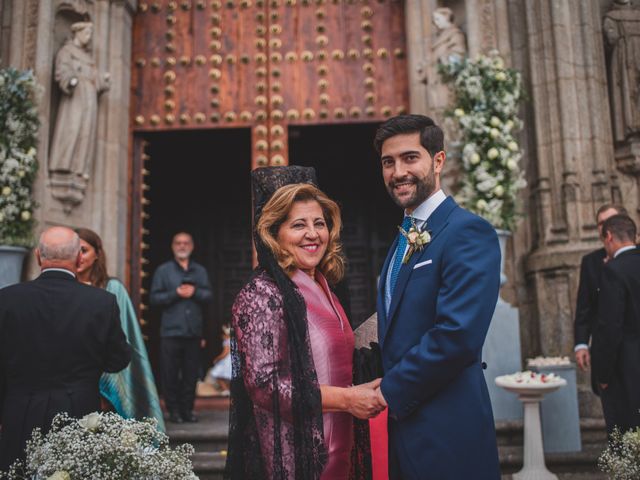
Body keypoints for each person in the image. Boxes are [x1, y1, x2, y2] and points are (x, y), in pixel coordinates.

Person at [225, 166, 384, 480]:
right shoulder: (263, 292)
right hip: (299, 457)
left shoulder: (327, 286)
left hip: (343, 445)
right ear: (274, 233)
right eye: (299, 225)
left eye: (319, 223)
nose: (313, 234)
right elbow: (263, 386)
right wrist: (347, 399)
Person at [372, 115, 501, 479]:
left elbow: (457, 335)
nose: (398, 172)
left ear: (438, 160)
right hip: (403, 433)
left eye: (410, 158)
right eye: (388, 162)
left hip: (447, 431)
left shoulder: (467, 232)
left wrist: (386, 394)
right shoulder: (403, 237)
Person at [0, 227, 130, 471]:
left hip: (19, 414)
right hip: (78, 413)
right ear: (79, 258)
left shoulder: (6, 299)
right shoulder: (101, 302)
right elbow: (118, 360)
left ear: (39, 256)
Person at [75, 228, 165, 432]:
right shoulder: (66, 288)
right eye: (75, 251)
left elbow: (122, 336)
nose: (79, 257)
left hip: (107, 370)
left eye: (84, 250)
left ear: (97, 253)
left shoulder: (112, 288)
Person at [150, 232, 213, 423]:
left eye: (186, 243)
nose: (182, 246)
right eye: (178, 243)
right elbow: (154, 298)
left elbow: (208, 296)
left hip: (193, 331)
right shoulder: (163, 271)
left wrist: (195, 292)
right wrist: (175, 293)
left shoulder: (200, 271)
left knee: (190, 373)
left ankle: (188, 410)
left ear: (192, 246)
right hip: (170, 331)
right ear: (172, 246)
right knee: (170, 373)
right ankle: (174, 411)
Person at [49, 22, 110, 206]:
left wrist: (102, 80)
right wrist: (73, 80)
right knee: (72, 131)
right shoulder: (67, 51)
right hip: (74, 100)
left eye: (91, 33)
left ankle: (79, 170)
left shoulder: (88, 57)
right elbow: (62, 72)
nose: (89, 37)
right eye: (87, 32)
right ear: (78, 31)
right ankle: (64, 169)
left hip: (89, 100)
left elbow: (95, 79)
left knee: (86, 135)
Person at [591, 214, 640, 434]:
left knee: (628, 433)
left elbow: (610, 327)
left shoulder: (613, 270)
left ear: (608, 236)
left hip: (626, 367)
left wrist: (603, 374)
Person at [573, 204, 628, 393]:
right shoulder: (591, 262)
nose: (604, 227)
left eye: (610, 221)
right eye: (600, 223)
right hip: (604, 351)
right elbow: (584, 307)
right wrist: (581, 344)